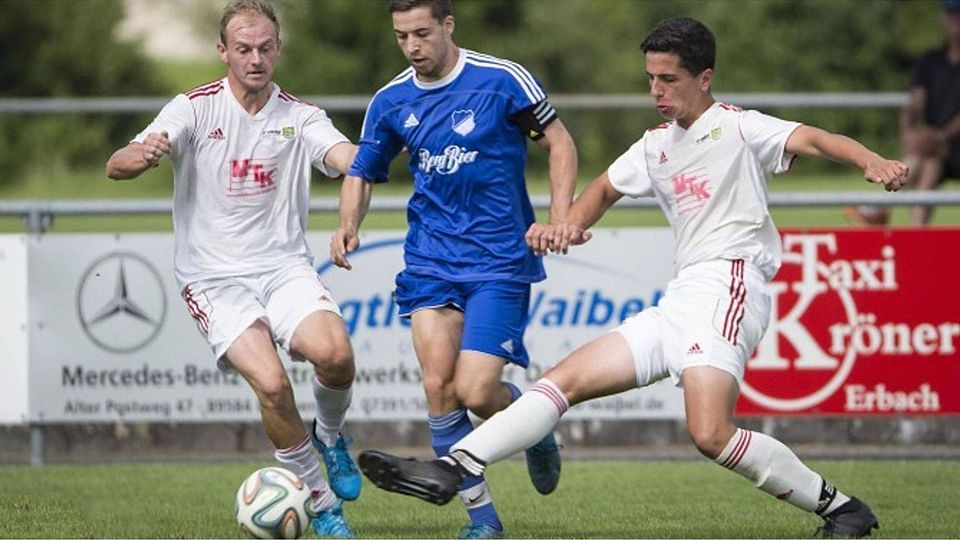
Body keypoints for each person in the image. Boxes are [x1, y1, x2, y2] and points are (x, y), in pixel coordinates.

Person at [357, 16, 908, 539]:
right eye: (650, 79)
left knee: (710, 434)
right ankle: (454, 467)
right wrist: (566, 224)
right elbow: (602, 189)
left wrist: (870, 161)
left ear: (704, 78)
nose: (657, 91)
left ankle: (842, 508)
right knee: (562, 382)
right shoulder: (655, 144)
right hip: (681, 298)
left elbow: (813, 139)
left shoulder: (737, 126)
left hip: (731, 285)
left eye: (669, 79)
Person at [105, 1, 360, 537]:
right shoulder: (193, 109)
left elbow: (347, 157)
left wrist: (356, 166)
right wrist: (146, 152)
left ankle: (331, 437)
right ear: (223, 51)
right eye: (243, 48)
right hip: (213, 278)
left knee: (336, 356)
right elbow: (117, 165)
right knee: (271, 384)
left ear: (278, 49)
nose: (256, 58)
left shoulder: (300, 116)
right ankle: (321, 504)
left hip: (283, 267)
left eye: (266, 47)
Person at [330, 0, 577, 537]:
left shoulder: (502, 80)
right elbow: (362, 169)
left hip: (499, 260)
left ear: (448, 25)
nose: (412, 46)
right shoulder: (391, 99)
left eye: (422, 33)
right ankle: (483, 521)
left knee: (476, 392)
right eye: (402, 37)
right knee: (439, 387)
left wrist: (559, 217)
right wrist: (349, 223)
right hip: (430, 260)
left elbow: (559, 142)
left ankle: (534, 428)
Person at [846, 0, 960, 226]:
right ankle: (915, 231)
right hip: (935, 148)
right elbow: (914, 104)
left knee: (927, 155)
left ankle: (879, 208)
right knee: (928, 162)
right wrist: (908, 132)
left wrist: (939, 137)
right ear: (943, 20)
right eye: (952, 15)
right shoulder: (930, 61)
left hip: (949, 144)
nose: (956, 22)